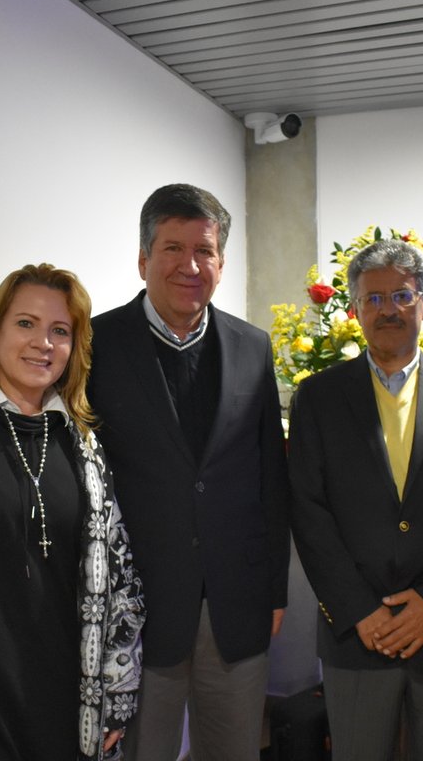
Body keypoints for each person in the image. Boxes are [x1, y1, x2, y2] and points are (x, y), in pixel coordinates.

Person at [87, 183, 290, 761]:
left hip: (235, 601)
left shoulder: (252, 346)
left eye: (205, 251)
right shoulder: (95, 345)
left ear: (221, 262)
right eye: (173, 248)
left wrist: (274, 588)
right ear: (143, 258)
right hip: (137, 607)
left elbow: (270, 478)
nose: (190, 265)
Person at [0, 263, 144, 761]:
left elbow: (121, 574)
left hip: (66, 694)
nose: (43, 343)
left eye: (60, 331)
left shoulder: (85, 445)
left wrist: (118, 692)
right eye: (26, 323)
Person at [288, 239, 423, 761]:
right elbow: (308, 511)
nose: (388, 310)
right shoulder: (318, 397)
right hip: (358, 635)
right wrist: (359, 610)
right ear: (355, 310)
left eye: (401, 296)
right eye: (373, 299)